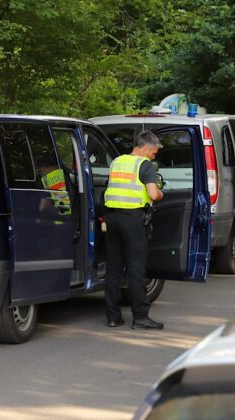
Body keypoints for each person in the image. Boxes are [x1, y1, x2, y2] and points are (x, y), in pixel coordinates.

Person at [104, 130, 165, 330]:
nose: (154, 156)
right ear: (145, 148)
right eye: (154, 152)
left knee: (113, 269)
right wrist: (161, 194)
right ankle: (140, 317)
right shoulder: (145, 165)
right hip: (133, 220)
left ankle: (113, 317)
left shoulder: (117, 162)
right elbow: (153, 193)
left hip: (112, 219)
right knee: (136, 270)